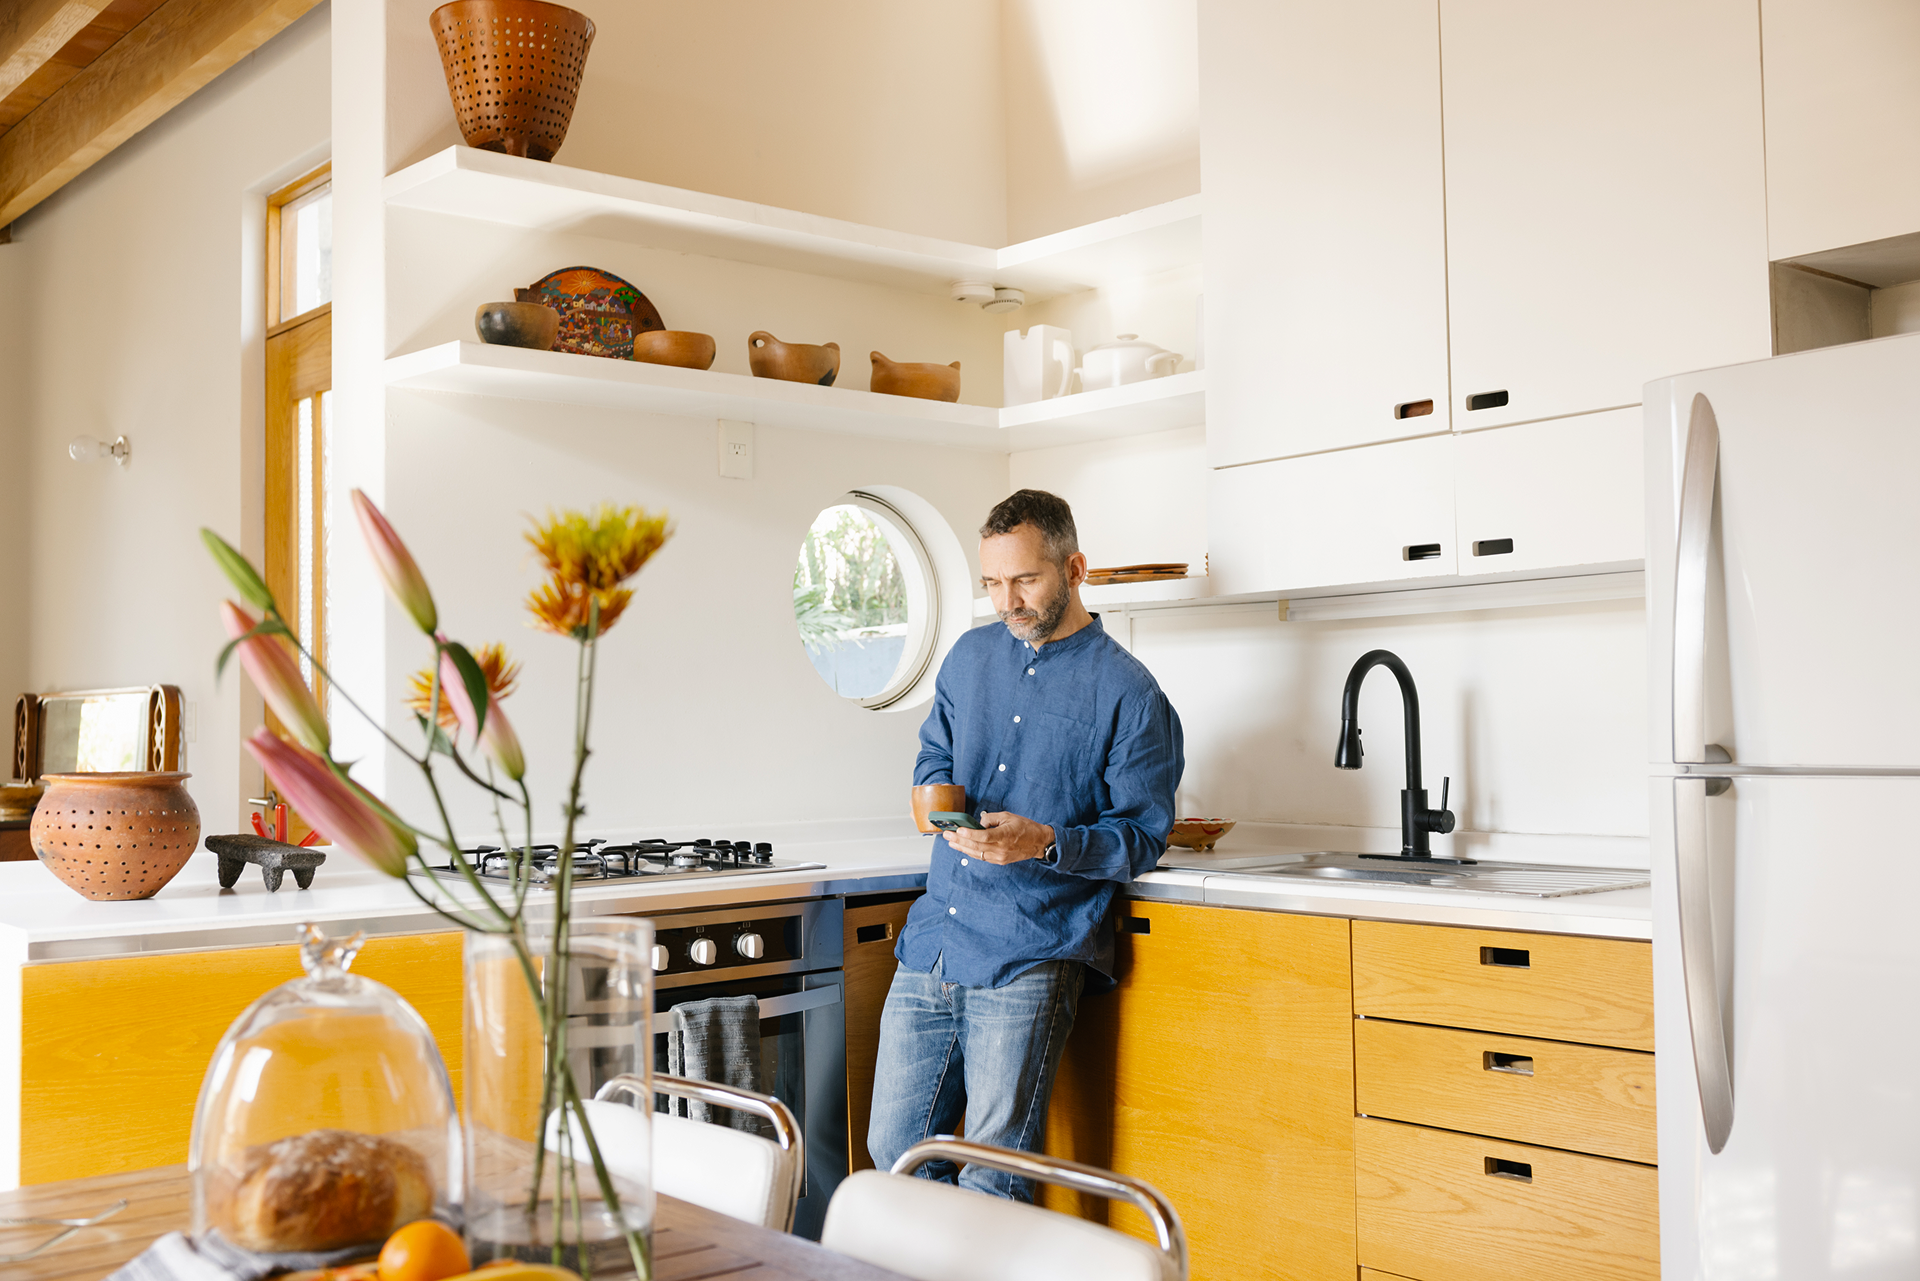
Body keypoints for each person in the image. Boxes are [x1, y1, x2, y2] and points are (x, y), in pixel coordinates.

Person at [866, 488, 1185, 1201]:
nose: (1006, 599)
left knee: (994, 1171)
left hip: (1031, 950)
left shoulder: (1131, 694)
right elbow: (933, 756)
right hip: (937, 940)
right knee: (895, 1149)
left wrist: (1045, 843)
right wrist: (937, 794)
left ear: (1074, 568)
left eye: (1024, 579)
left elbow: (1141, 837)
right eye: (991, 582)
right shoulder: (968, 658)